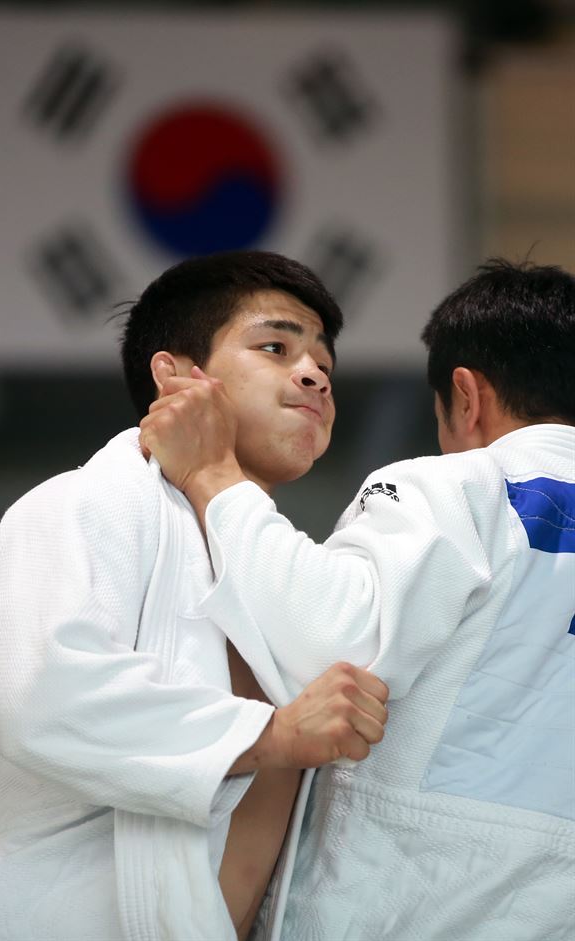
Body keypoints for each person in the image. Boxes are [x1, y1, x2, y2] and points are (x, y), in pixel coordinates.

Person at [0, 252, 389, 941]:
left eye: (325, 365)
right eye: (276, 347)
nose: (314, 376)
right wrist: (275, 735)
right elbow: (48, 699)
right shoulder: (80, 502)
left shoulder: (287, 566)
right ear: (176, 376)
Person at [140, 259, 575, 941]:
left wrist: (214, 477)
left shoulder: (464, 485)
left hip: (405, 909)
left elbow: (331, 645)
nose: (311, 376)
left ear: (467, 396)